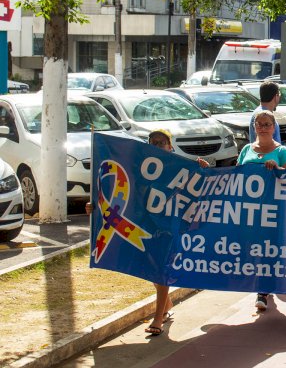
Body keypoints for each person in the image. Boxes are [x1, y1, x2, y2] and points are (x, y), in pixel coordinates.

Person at [85, 129, 209, 336]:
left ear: (171, 146)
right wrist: (95, 206)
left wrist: (203, 169)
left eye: (162, 142)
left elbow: (204, 190)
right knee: (153, 270)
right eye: (154, 142)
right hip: (145, 227)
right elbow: (121, 194)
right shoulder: (139, 168)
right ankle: (166, 303)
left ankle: (158, 317)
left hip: (169, 229)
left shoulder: (184, 167)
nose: (158, 146)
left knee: (161, 269)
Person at [238, 110, 286, 310]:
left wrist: (277, 169)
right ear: (254, 127)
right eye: (259, 124)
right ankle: (259, 285)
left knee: (267, 248)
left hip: (272, 210)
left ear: (274, 127)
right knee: (252, 248)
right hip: (249, 209)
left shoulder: (281, 151)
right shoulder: (246, 149)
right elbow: (234, 176)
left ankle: (262, 291)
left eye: (267, 124)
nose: (262, 128)